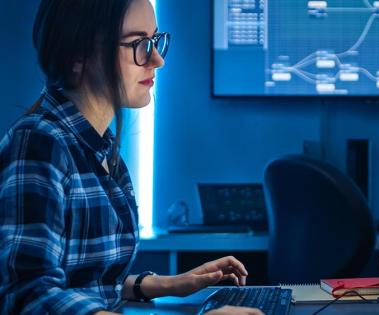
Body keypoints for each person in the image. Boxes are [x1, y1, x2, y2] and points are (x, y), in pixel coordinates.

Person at [0, 1, 263, 314]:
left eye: (154, 40)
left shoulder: (101, 149)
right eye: (138, 44)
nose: (157, 59)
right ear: (76, 56)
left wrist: (171, 284)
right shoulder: (39, 143)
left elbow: (84, 281)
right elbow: (28, 295)